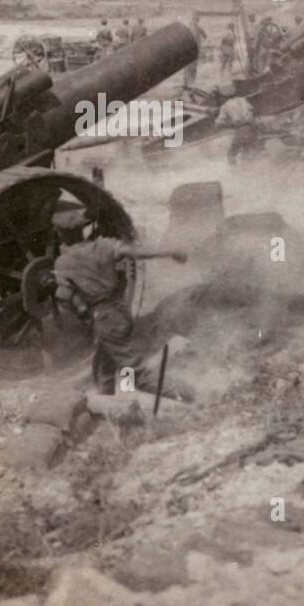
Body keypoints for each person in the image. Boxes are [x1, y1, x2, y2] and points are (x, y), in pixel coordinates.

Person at [51, 211, 187, 395]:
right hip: (120, 312)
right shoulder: (104, 246)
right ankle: (114, 406)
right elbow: (135, 252)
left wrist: (82, 310)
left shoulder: (63, 263)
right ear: (82, 230)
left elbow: (64, 296)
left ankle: (190, 395)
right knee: (104, 367)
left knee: (135, 374)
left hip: (104, 319)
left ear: (60, 234)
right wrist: (168, 252)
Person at [217, 95, 261, 166]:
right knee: (248, 150)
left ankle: (236, 174)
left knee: (231, 154)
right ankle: (251, 167)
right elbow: (253, 110)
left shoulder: (225, 106)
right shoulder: (243, 99)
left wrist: (231, 126)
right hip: (252, 127)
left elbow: (219, 123)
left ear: (223, 97)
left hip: (241, 130)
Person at [182, 13, 206, 88]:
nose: (195, 21)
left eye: (196, 20)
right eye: (194, 19)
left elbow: (205, 36)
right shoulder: (189, 28)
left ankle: (191, 83)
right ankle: (186, 83)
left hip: (194, 50)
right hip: (189, 50)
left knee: (193, 67)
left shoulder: (198, 28)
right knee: (188, 67)